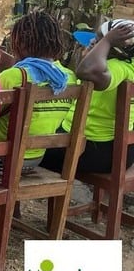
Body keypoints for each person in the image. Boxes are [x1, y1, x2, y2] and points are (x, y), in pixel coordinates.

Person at [41, 19, 134, 174]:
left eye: (99, 40)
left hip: (93, 150)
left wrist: (107, 41)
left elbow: (87, 71)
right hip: (119, 150)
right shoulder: (127, 64)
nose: (92, 42)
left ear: (117, 49)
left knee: (26, 148)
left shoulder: (119, 67)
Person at [0, 11, 76, 175]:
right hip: (36, 159)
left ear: (20, 43)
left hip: (1, 159)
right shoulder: (68, 77)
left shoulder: (14, 76)